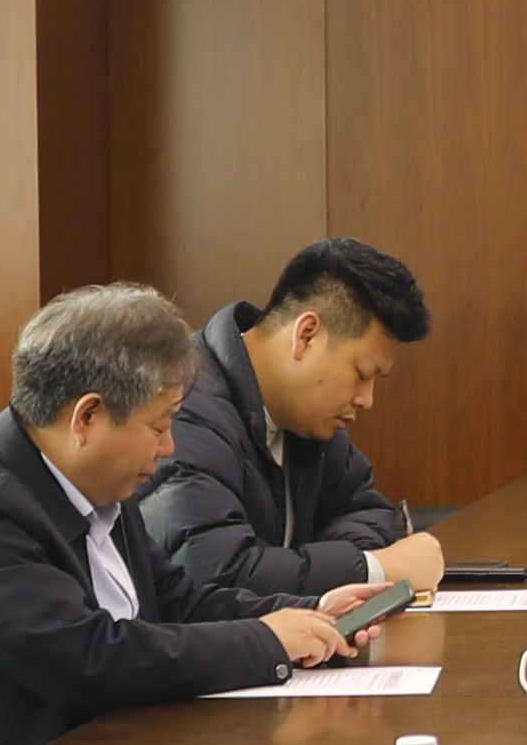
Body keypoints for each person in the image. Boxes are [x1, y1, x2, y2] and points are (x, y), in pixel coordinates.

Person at [0, 282, 364, 745]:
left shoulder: (94, 483)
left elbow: (176, 603)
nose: (168, 447)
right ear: (87, 417)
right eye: (158, 426)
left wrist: (308, 615)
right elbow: (92, 659)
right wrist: (266, 642)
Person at [142, 239, 449, 608]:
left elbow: (361, 508)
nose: (366, 399)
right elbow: (214, 574)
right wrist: (374, 569)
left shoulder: (308, 420)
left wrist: (346, 566)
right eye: (362, 374)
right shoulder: (186, 410)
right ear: (306, 336)